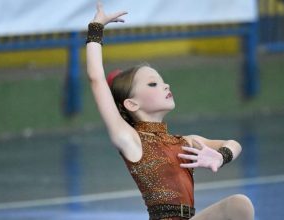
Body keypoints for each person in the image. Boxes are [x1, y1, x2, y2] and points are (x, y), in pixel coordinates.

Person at [85, 2, 255, 220]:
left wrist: (222, 156)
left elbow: (233, 144)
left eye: (163, 81)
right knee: (238, 204)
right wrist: (96, 28)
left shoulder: (185, 142)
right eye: (153, 84)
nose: (165, 86)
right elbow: (96, 79)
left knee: (238, 205)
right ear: (132, 104)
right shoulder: (131, 140)